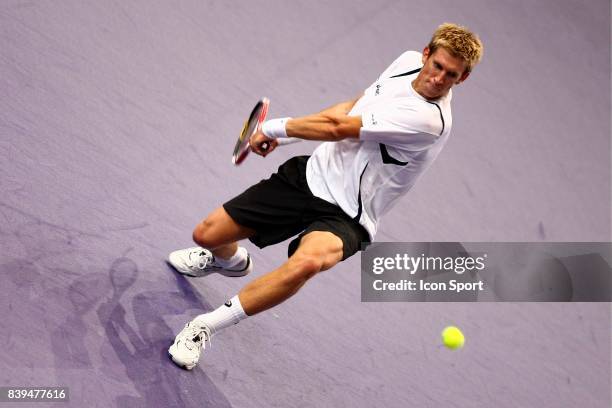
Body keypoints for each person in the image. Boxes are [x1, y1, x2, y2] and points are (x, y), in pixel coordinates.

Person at [167, 23, 483, 370]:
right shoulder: (406, 62)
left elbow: (337, 129)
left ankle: (203, 326)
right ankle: (227, 261)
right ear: (425, 55)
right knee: (206, 235)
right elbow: (351, 108)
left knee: (308, 263)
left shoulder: (429, 119)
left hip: (349, 216)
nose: (439, 78)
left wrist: (274, 128)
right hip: (312, 176)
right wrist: (288, 139)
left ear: (462, 79)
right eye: (437, 66)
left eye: (451, 75)